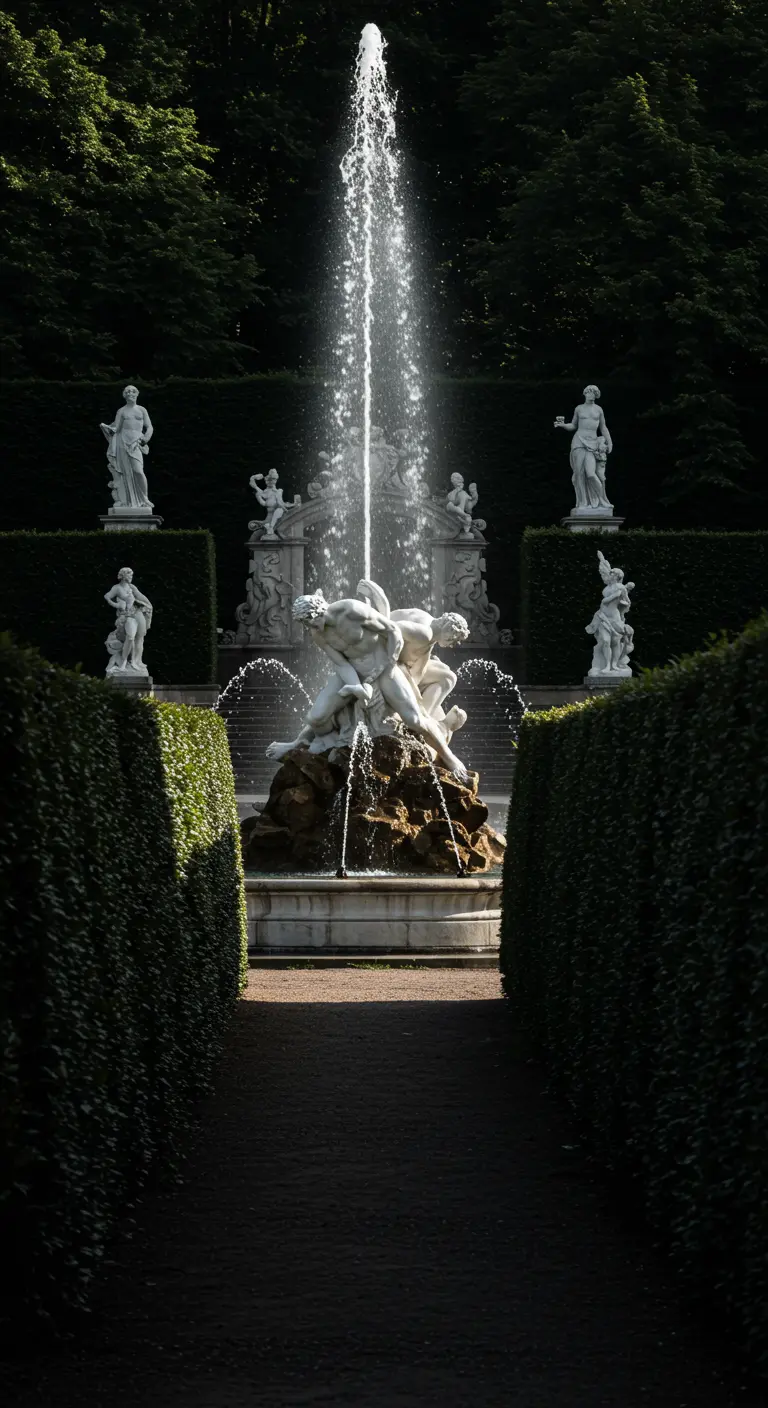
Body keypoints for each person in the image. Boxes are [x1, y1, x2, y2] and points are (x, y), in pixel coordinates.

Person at [266, 583, 470, 778]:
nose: (313, 626)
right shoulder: (318, 634)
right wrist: (355, 686)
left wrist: (391, 660)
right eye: (307, 624)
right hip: (352, 671)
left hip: (385, 669)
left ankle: (449, 757)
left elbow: (391, 629)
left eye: (314, 620)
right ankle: (309, 745)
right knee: (316, 717)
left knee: (414, 719)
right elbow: (341, 664)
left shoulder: (351, 610)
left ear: (321, 609)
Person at [554, 385, 612, 510]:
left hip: (593, 443)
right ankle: (583, 503)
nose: (591, 395)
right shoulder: (579, 409)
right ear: (585, 394)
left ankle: (602, 499)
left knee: (591, 474)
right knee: (579, 473)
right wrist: (563, 425)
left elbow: (603, 427)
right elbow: (573, 426)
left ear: (596, 395)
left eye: (594, 393)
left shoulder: (598, 410)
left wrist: (609, 442)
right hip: (579, 441)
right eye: (589, 392)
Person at [100, 386, 153, 509]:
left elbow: (149, 427)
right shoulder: (121, 411)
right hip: (123, 443)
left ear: (137, 394)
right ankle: (127, 501)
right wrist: (107, 428)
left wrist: (146, 438)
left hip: (136, 443)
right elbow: (116, 428)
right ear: (124, 395)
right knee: (125, 472)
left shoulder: (142, 410)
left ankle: (144, 498)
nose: (130, 393)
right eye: (128, 391)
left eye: (133, 391)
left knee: (139, 471)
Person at [104, 567, 153, 673]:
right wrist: (117, 605)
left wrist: (148, 605)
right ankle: (126, 662)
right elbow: (107, 596)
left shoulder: (132, 587)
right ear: (124, 575)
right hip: (128, 616)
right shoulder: (117, 588)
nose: (131, 577)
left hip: (137, 613)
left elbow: (141, 596)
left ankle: (137, 661)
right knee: (130, 637)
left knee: (140, 637)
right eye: (130, 575)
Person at [248, 468, 296, 538]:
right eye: (269, 480)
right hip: (269, 519)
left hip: (278, 516)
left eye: (273, 480)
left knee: (279, 510)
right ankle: (270, 527)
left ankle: (271, 527)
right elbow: (264, 502)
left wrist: (293, 505)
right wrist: (258, 495)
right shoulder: (266, 492)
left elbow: (282, 503)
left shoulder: (278, 491)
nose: (271, 482)